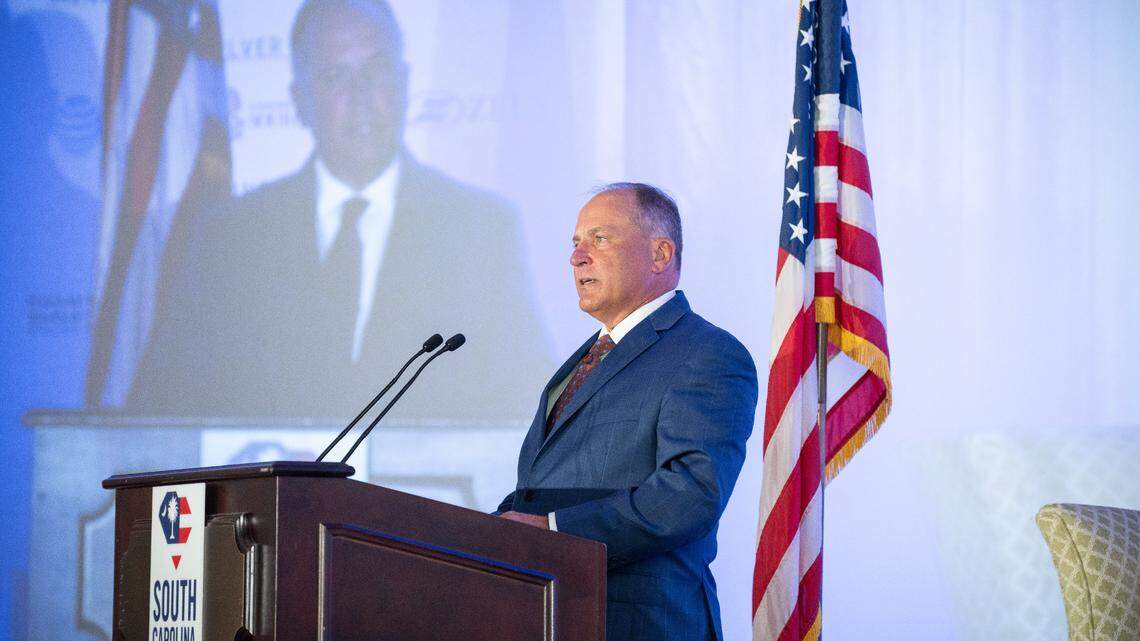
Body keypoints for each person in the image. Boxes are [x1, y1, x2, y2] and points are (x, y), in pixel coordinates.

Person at [128, 0, 550, 420]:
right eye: (336, 77)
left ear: (403, 83)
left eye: (376, 71)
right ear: (300, 101)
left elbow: (525, 405)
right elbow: (161, 405)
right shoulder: (229, 238)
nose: (362, 96)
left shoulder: (481, 231)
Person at [497, 184, 758, 640]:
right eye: (575, 243)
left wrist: (552, 529)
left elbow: (690, 492)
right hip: (554, 615)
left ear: (660, 254)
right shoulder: (586, 358)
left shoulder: (707, 354)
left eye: (599, 239)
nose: (577, 257)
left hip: (640, 624)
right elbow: (541, 489)